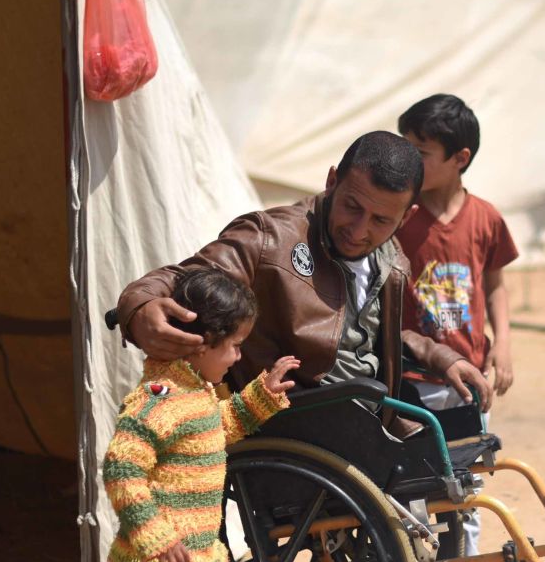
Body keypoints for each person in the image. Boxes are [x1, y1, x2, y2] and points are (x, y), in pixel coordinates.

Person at [115, 130, 493, 439]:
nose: (359, 231)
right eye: (351, 206)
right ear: (332, 182)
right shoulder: (269, 239)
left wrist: (446, 358)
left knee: (465, 436)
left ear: (406, 217)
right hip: (301, 427)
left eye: (380, 219)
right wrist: (140, 305)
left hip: (375, 420)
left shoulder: (390, 261)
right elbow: (184, 278)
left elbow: (384, 336)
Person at [103, 267, 301, 562]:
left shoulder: (196, 392)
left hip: (203, 558)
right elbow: (121, 469)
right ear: (199, 345)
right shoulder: (158, 402)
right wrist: (157, 538)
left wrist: (260, 397)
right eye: (235, 346)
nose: (238, 357)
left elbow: (214, 429)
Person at [396, 94, 519, 562]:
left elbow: (495, 287)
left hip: (470, 377)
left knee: (465, 481)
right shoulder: (397, 215)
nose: (408, 161)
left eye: (420, 151)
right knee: (411, 484)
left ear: (459, 158)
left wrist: (505, 346)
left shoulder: (485, 218)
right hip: (415, 377)